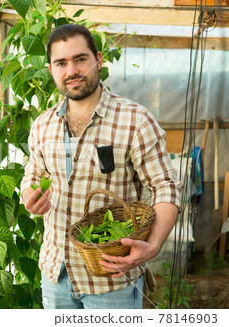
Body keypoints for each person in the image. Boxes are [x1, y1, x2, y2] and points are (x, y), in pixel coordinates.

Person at [20, 24, 181, 309]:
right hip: (55, 275)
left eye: (80, 59)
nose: (72, 71)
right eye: (61, 63)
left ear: (98, 60)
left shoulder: (136, 121)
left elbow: (166, 187)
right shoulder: (42, 125)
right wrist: (29, 195)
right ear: (51, 70)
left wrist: (153, 245)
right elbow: (34, 174)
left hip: (113, 278)